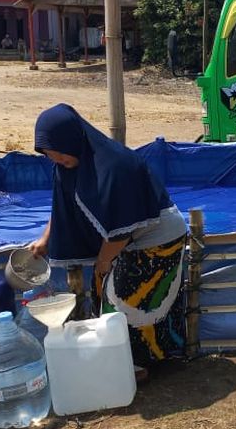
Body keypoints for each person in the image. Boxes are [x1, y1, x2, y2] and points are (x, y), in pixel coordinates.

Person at [29, 104, 189, 362]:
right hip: (126, 241)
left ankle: (138, 364)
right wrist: (46, 239)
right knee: (104, 294)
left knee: (123, 302)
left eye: (58, 154)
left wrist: (104, 262)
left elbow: (120, 229)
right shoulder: (68, 164)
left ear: (72, 140)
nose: (56, 161)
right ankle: (122, 362)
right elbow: (64, 206)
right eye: (50, 156)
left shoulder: (115, 167)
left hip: (158, 238)